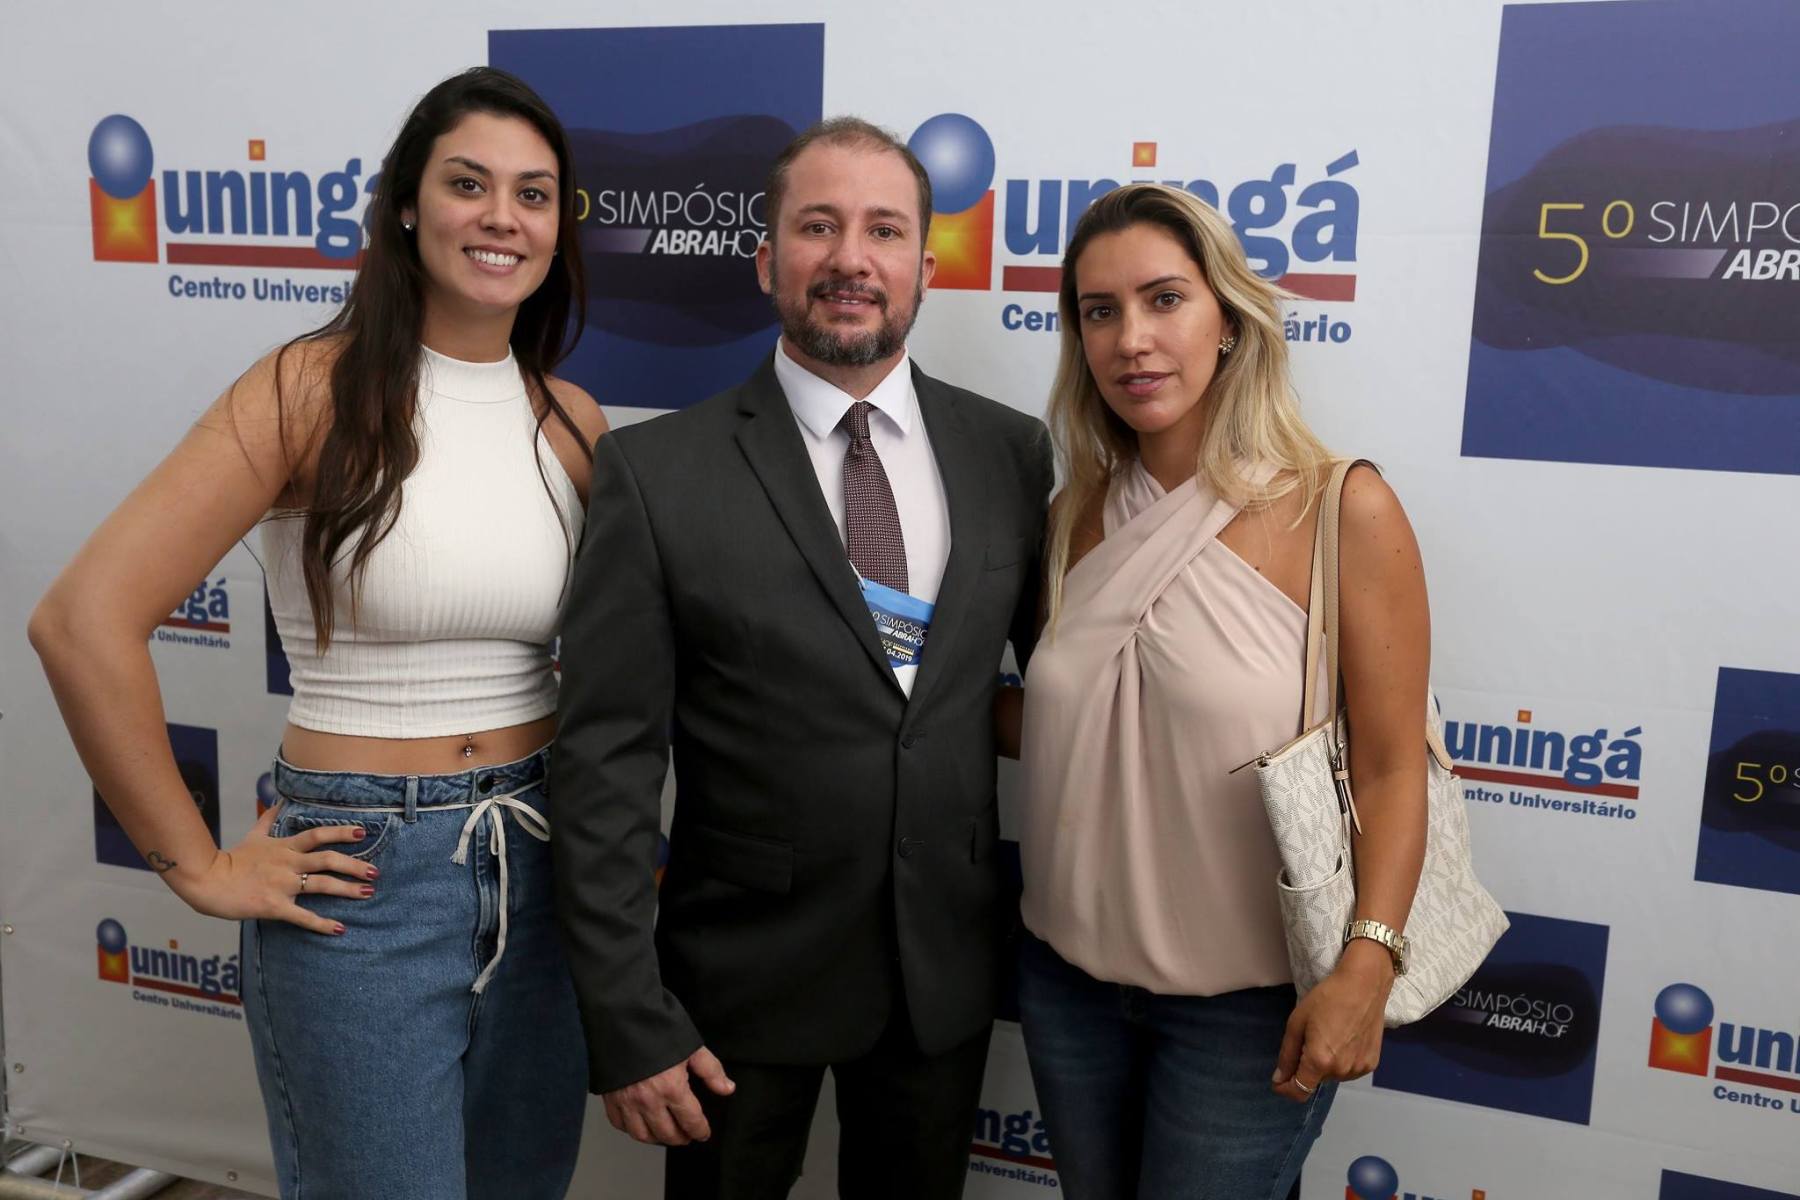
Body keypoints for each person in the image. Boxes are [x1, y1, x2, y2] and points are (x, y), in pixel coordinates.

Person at [30, 67, 606, 1199]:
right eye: (468, 184)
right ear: (404, 206)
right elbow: (81, 621)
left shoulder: (571, 421)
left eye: (533, 194)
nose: (503, 217)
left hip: (544, 865)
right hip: (362, 881)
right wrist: (197, 866)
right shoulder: (308, 389)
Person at [549, 116, 1054, 1200]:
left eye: (885, 230)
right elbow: (606, 763)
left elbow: (1069, 683)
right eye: (818, 226)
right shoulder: (656, 473)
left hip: (941, 975)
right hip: (735, 983)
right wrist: (625, 1014)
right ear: (766, 259)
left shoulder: (1011, 452)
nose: (850, 259)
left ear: (927, 269)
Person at [1008, 183, 1430, 1199]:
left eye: (1165, 299)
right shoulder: (1073, 516)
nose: (1131, 340)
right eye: (1100, 312)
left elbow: (1391, 767)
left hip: (1249, 1010)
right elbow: (1076, 722)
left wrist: (1368, 963)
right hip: (1067, 986)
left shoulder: (1342, 508)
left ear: (1230, 319)